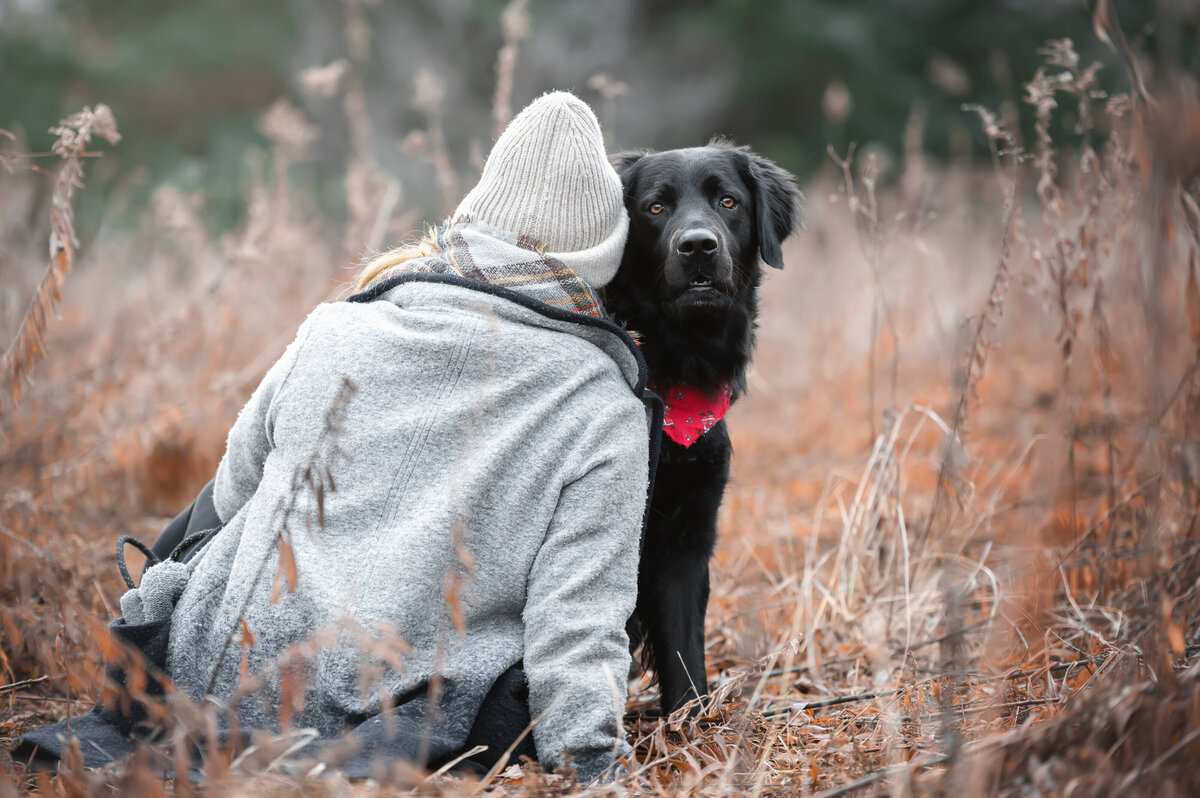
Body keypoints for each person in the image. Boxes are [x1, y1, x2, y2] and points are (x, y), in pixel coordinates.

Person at [13, 91, 659, 784]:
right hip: (391, 718)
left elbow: (230, 496)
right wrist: (591, 764)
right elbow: (577, 620)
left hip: (212, 679)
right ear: (605, 258)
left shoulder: (335, 329)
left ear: (472, 217)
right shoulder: (602, 406)